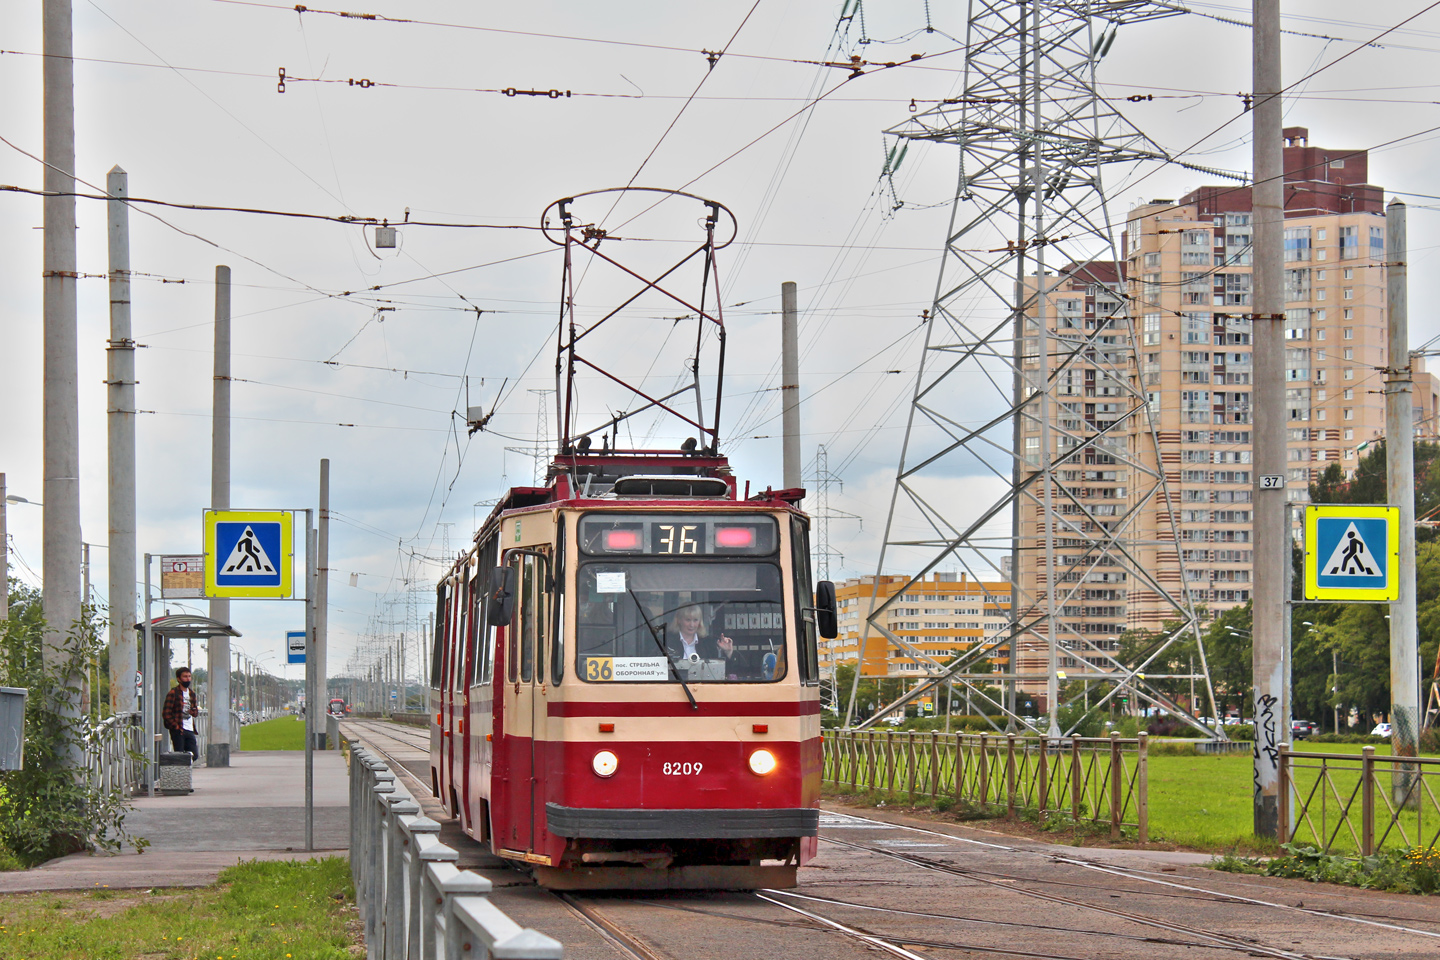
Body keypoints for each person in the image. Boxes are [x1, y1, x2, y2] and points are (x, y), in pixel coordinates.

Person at [666, 605, 734, 662]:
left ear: (700, 622)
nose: (692, 625)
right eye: (688, 620)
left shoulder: (708, 644)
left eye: (695, 620)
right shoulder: (665, 641)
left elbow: (720, 672)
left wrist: (728, 652)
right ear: (679, 620)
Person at [163, 667, 201, 761]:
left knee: (194, 754)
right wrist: (175, 726)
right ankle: (180, 774)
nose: (188, 679)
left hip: (189, 728)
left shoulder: (191, 693)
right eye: (185, 677)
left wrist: (192, 711)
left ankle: (186, 771)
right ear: (179, 679)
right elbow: (166, 713)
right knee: (179, 755)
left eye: (189, 676)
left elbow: (195, 712)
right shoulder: (173, 693)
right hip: (178, 728)